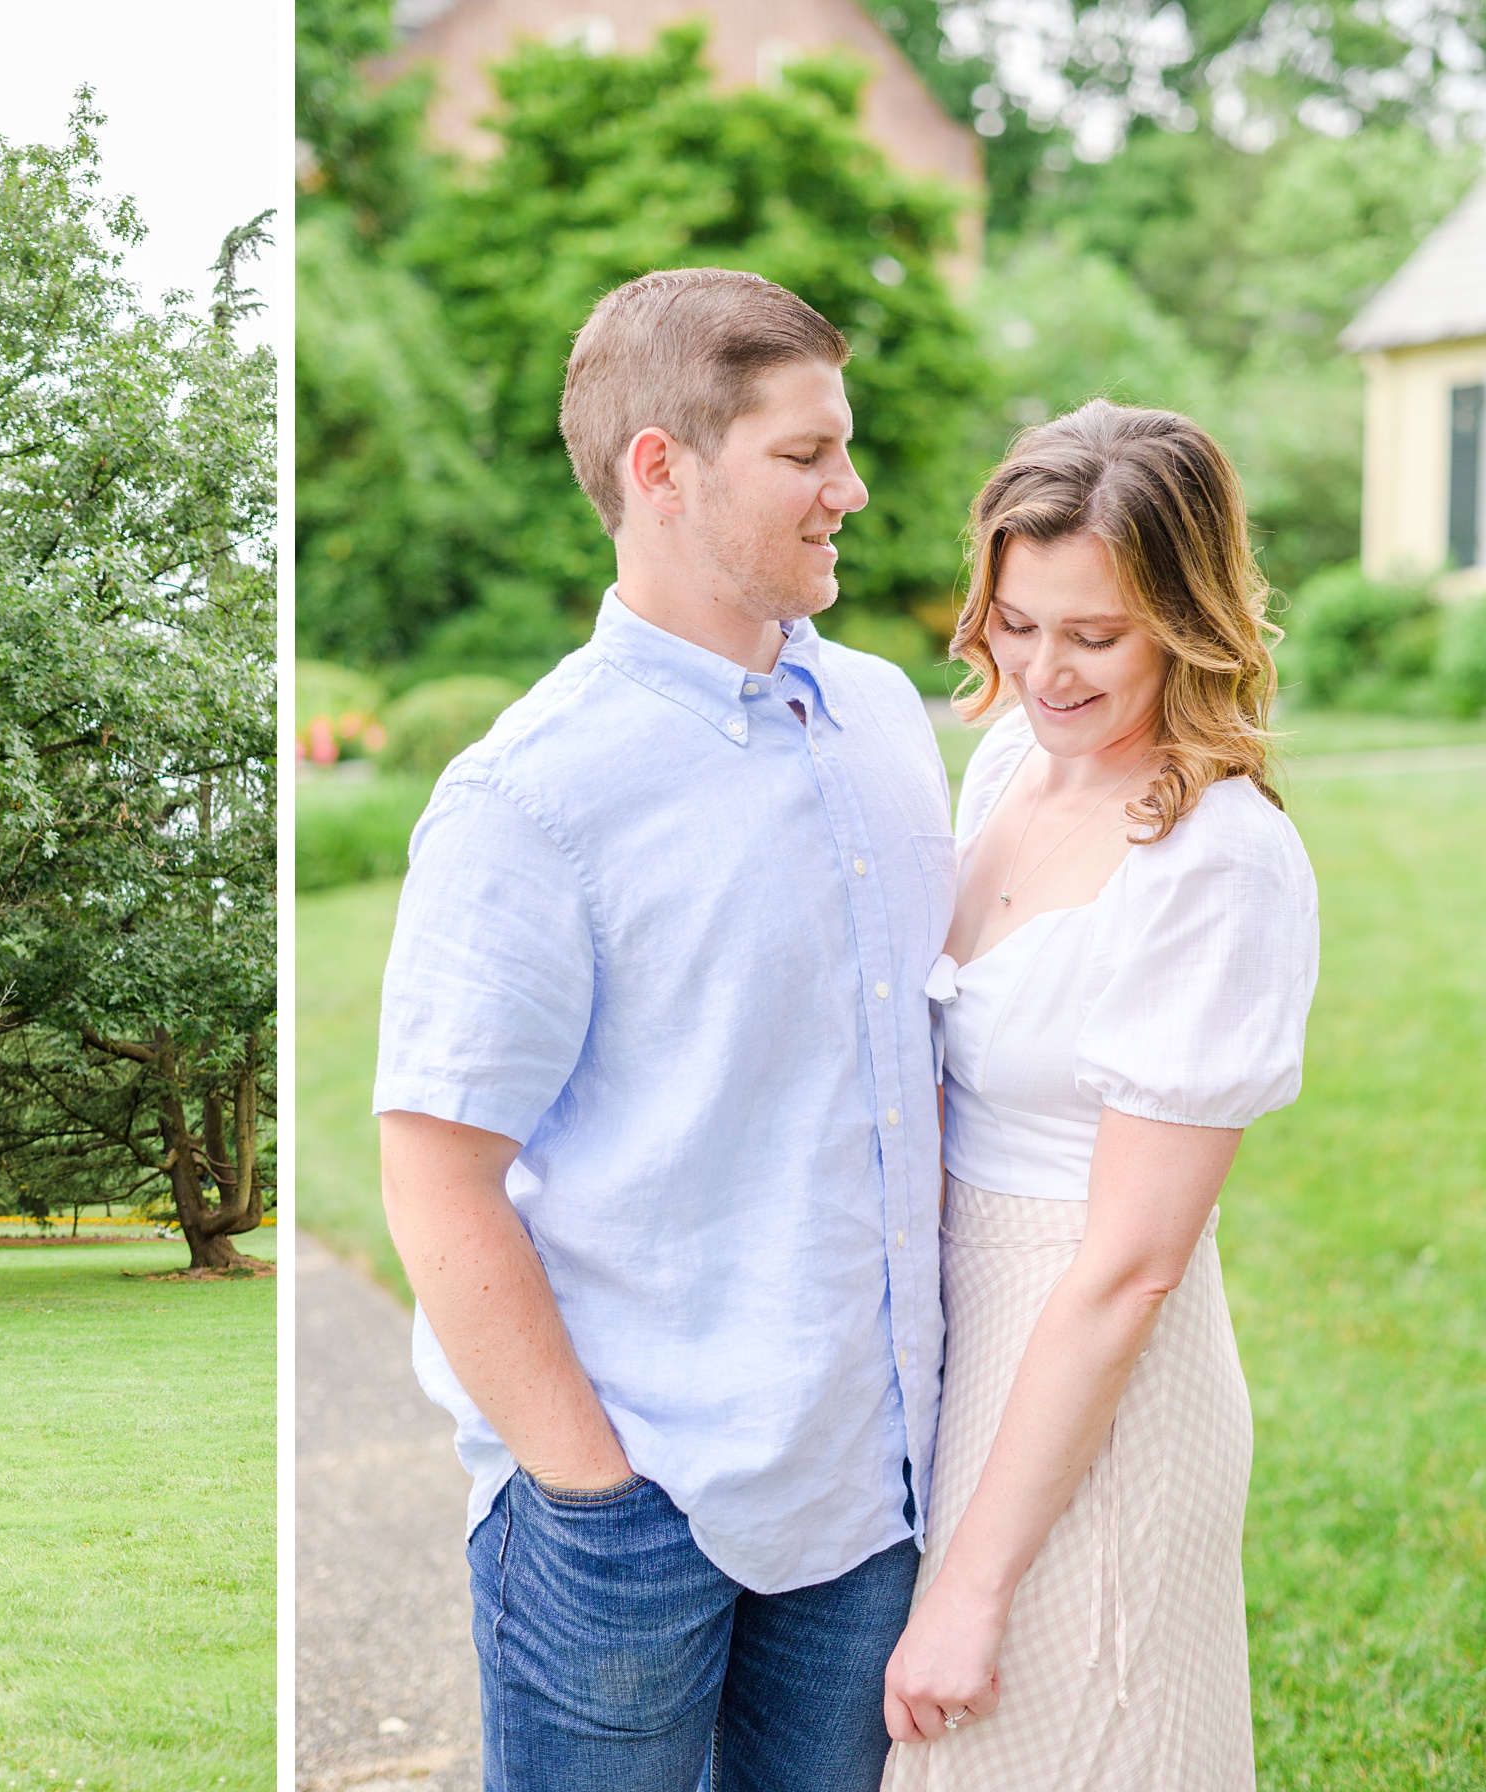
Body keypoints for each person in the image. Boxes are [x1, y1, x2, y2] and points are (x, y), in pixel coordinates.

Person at [374, 268, 953, 1791]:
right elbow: (436, 1175)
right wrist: (589, 1487)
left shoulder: (889, 719)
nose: (855, 487)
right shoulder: (531, 797)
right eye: (807, 454)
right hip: (632, 1518)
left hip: (865, 1498)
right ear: (661, 469)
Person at [879, 401, 1319, 1787]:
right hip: (960, 1321)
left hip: (1088, 1361)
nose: (1043, 670)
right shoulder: (1011, 758)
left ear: (1185, 621)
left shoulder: (1215, 863)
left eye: (1095, 635)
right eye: (1016, 622)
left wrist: (971, 1583)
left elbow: (1130, 1269)